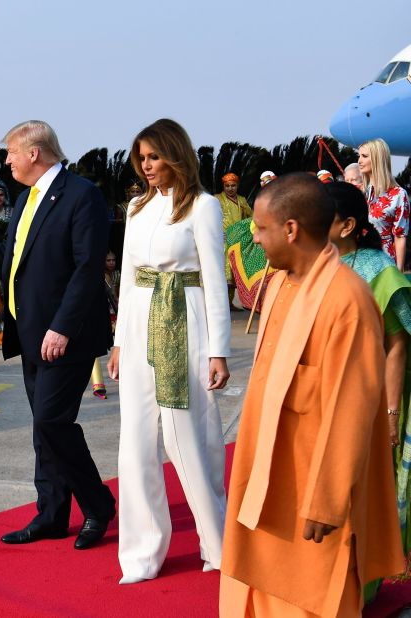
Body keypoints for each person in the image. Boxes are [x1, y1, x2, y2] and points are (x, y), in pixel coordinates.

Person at [220, 173, 404, 617]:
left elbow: (352, 410)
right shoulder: (280, 283)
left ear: (291, 229)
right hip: (264, 471)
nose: (254, 238)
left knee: (316, 595)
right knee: (253, 582)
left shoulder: (348, 299)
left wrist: (326, 500)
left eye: (260, 228)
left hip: (311, 492)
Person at [0, 120, 116, 550]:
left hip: (64, 335)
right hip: (31, 332)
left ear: (34, 152)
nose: (7, 160)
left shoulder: (81, 195)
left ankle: (98, 504)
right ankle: (51, 514)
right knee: (43, 427)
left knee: (52, 421)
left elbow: (88, 268)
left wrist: (63, 327)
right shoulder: (25, 199)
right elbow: (11, 256)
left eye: (12, 152)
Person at [107, 119, 231, 584]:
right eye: (141, 158)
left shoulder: (203, 206)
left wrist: (218, 350)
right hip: (140, 320)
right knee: (136, 440)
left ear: (175, 155)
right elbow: (126, 275)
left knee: (190, 436)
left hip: (187, 317)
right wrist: (118, 340)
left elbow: (216, 281)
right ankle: (141, 555)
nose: (147, 166)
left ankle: (217, 544)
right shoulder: (137, 207)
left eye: (154, 157)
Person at [326, 181, 411, 582]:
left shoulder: (379, 270)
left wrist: (391, 414)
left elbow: (397, 346)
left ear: (346, 225)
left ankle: (363, 583)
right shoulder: (313, 264)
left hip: (369, 400)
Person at [359, 138, 409, 268]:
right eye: (359, 156)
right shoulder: (358, 192)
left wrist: (398, 272)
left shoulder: (398, 194)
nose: (359, 161)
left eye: (364, 156)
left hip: (384, 264)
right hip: (358, 263)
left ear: (377, 159)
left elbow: (400, 236)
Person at [215, 172, 253, 310]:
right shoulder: (217, 199)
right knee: (223, 273)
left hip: (238, 241)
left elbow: (251, 216)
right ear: (223, 186)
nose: (230, 188)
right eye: (227, 186)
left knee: (234, 273)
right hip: (222, 241)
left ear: (237, 186)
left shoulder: (242, 200)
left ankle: (230, 303)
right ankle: (221, 304)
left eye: (233, 186)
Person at [90, 252, 120, 399]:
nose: (111, 262)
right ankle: (98, 384)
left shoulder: (113, 275)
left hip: (108, 314)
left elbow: (113, 295)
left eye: (113, 260)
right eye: (108, 260)